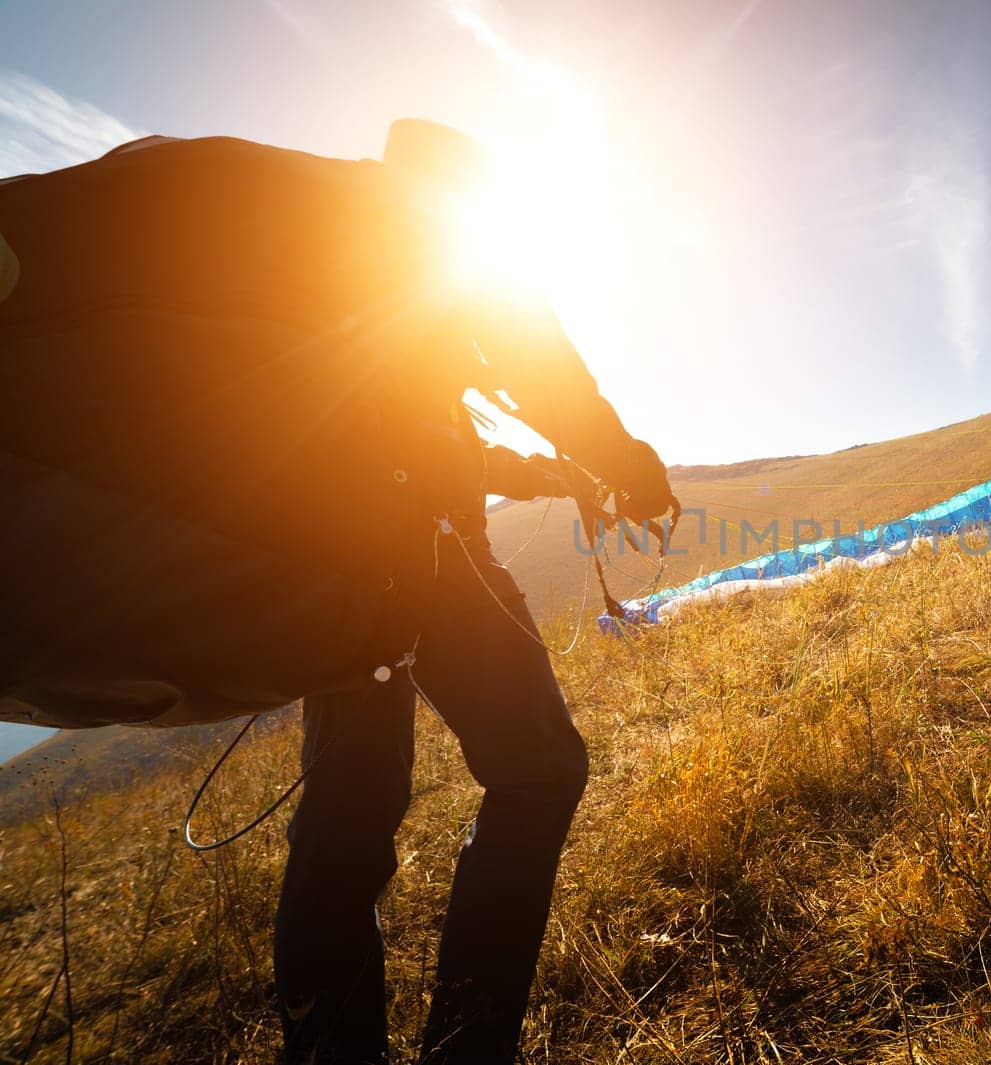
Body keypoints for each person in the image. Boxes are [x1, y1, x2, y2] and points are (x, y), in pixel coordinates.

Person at [0, 121, 673, 1062]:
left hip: (342, 572)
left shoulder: (329, 249)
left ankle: (336, 1049)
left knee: (352, 814)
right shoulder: (429, 236)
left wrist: (553, 474)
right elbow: (540, 367)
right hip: (423, 562)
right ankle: (471, 1041)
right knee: (537, 771)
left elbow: (439, 440)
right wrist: (631, 467)